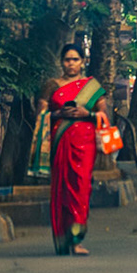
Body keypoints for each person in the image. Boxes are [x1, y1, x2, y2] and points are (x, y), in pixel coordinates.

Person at [30, 43, 108, 256]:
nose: (71, 63)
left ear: (82, 62)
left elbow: (103, 115)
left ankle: (76, 240)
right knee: (62, 190)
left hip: (85, 144)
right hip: (61, 141)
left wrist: (86, 114)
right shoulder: (52, 85)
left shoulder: (91, 86)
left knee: (81, 190)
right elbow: (41, 115)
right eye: (67, 59)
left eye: (75, 59)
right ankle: (63, 240)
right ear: (61, 62)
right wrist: (60, 114)